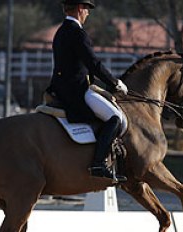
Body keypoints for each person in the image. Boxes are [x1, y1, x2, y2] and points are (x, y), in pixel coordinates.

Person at [46, 0, 128, 181]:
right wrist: (114, 83)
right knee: (115, 118)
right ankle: (98, 163)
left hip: (62, 87)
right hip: (76, 90)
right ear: (80, 8)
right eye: (87, 10)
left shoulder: (60, 31)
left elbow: (83, 64)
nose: (88, 14)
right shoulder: (77, 33)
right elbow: (94, 63)